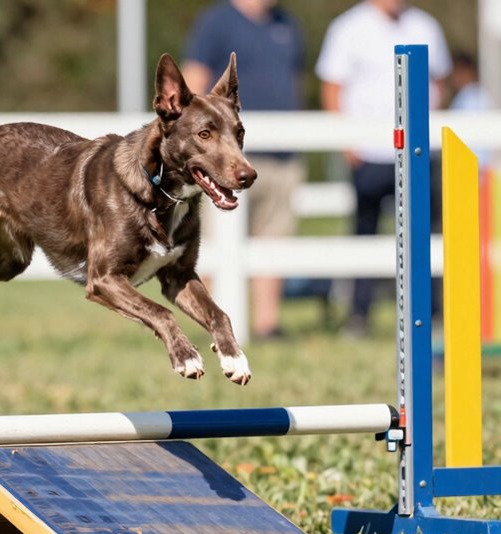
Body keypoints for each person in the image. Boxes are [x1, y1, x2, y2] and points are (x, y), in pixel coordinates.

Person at [315, 0, 451, 337]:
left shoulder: (426, 25)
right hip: (369, 152)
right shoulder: (348, 27)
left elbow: (441, 82)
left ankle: (433, 313)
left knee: (427, 232)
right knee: (365, 230)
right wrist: (348, 142)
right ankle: (359, 314)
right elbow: (332, 87)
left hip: (420, 151)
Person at [181, 0, 305, 340]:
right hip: (228, 157)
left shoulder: (287, 24)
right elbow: (194, 82)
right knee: (215, 243)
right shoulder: (217, 21)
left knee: (273, 240)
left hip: (282, 154)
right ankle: (207, 324)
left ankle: (267, 325)